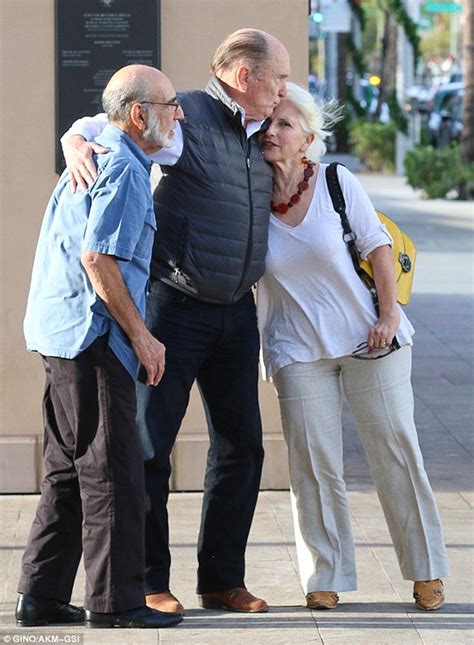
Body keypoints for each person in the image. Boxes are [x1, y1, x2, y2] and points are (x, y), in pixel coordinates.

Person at [61, 28, 291, 614]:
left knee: (242, 448)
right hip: (174, 308)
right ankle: (148, 581)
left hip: (236, 310)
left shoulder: (263, 132)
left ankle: (221, 581)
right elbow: (112, 122)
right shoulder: (186, 116)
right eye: (280, 76)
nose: (286, 88)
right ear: (246, 76)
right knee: (148, 449)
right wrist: (74, 136)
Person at [257, 82, 449, 611]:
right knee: (313, 462)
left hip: (371, 337)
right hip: (296, 347)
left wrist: (389, 314)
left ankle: (426, 569)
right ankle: (325, 574)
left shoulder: (336, 181)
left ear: (307, 140)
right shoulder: (250, 191)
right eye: (267, 124)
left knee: (394, 450)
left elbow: (377, 246)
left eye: (285, 125)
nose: (271, 132)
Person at [18, 65, 185, 629]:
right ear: (139, 115)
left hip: (60, 335)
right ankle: (117, 605)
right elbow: (98, 258)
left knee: (68, 470)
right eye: (169, 105)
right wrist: (144, 336)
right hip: (93, 338)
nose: (179, 113)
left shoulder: (97, 152)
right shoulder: (122, 168)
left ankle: (39, 599)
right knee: (112, 473)